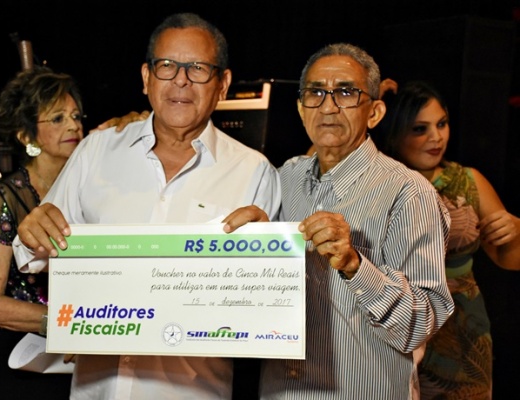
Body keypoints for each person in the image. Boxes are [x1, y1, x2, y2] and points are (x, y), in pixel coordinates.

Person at [11, 12, 280, 400]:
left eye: (198, 68)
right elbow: (34, 253)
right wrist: (33, 232)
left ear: (222, 84)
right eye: (167, 65)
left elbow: (262, 311)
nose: (181, 80)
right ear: (146, 77)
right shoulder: (96, 151)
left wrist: (266, 264)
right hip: (95, 390)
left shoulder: (254, 173)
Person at [223, 42, 455, 399]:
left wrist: (355, 265)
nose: (328, 106)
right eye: (316, 92)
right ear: (301, 109)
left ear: (374, 112)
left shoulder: (409, 193)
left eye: (346, 92)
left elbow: (420, 325)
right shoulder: (284, 178)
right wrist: (254, 244)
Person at [377, 80, 520, 399]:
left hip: (460, 332)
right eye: (420, 129)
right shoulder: (376, 182)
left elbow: (509, 258)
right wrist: (366, 104)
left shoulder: (467, 180)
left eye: (441, 124)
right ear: (394, 132)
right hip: (393, 323)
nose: (436, 137)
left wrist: (515, 229)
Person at [0, 65, 84, 399]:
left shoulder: (86, 188)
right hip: (19, 356)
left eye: (76, 116)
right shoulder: (5, 197)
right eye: (58, 118)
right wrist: (70, 323)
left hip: (77, 353)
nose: (74, 125)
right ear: (27, 137)